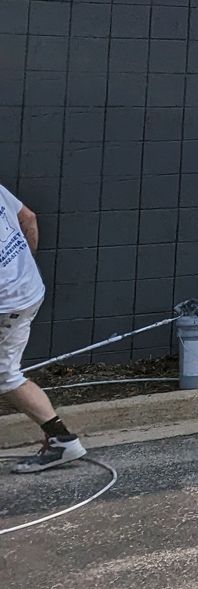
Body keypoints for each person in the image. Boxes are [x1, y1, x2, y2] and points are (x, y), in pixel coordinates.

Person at [1, 182, 87, 472]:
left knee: (6, 375)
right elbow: (29, 218)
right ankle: (61, 439)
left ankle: (62, 441)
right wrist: (23, 268)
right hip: (27, 288)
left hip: (8, 302)